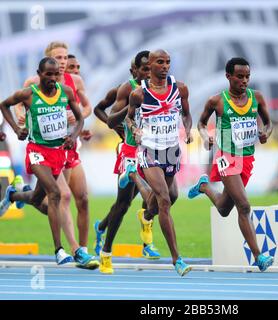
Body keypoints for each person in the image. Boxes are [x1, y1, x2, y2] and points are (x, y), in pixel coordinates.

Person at [0, 57, 98, 268]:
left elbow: (80, 119)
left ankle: (14, 194)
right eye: (48, 74)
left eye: (56, 75)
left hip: (57, 152)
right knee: (55, 193)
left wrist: (74, 135)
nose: (53, 78)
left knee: (38, 198)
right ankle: (59, 250)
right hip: (37, 151)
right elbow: (4, 105)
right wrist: (17, 130)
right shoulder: (28, 94)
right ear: (40, 73)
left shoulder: (66, 93)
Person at [187, 57, 274, 272]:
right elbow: (200, 122)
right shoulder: (217, 101)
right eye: (240, 76)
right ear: (228, 76)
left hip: (246, 158)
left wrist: (265, 133)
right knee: (243, 205)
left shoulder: (257, 98)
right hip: (226, 157)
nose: (244, 81)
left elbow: (269, 123)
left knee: (225, 209)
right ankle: (258, 256)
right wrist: (206, 135)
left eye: (247, 77)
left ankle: (204, 186)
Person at [16, 41, 93, 255]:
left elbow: (87, 108)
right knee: (62, 196)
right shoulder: (34, 82)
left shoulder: (74, 82)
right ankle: (74, 249)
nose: (63, 62)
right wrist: (20, 117)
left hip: (69, 144)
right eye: (58, 58)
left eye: (65, 57)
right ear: (47, 61)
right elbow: (19, 103)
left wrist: (78, 120)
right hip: (44, 147)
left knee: (82, 198)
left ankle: (84, 247)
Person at [93, 51, 163, 274]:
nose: (147, 73)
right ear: (135, 70)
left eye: (149, 69)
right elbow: (106, 115)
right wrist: (130, 112)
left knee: (158, 194)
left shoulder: (162, 88)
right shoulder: (125, 89)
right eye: (143, 69)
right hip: (131, 150)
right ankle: (106, 253)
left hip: (151, 150)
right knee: (123, 204)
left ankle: (105, 227)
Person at [127, 49, 193, 276]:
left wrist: (188, 129)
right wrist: (135, 128)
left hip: (171, 149)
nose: (165, 66)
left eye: (168, 62)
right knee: (164, 199)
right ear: (151, 65)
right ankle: (177, 259)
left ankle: (145, 215)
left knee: (172, 196)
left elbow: (186, 114)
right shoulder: (139, 94)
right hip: (149, 149)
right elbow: (128, 117)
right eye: (160, 62)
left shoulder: (180, 88)